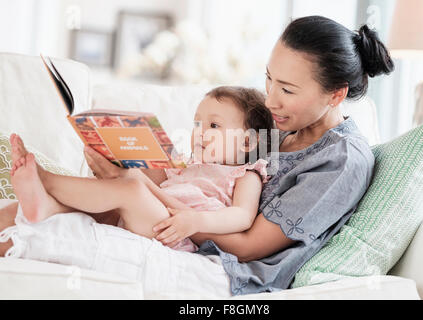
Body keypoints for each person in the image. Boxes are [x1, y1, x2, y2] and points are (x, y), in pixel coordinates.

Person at [0, 16, 394, 297]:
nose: (271, 100)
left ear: (336, 94)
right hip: (184, 219)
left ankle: (45, 180)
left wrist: (165, 205)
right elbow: (203, 175)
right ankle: (44, 195)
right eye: (269, 80)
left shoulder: (343, 159)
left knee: (117, 197)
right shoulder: (283, 125)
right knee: (18, 209)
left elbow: (251, 244)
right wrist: (133, 167)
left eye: (287, 90)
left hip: (227, 265)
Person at [7, 86, 273, 253]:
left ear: (248, 141)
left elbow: (242, 217)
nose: (200, 133)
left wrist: (197, 221)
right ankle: (48, 207)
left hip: (174, 233)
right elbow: (152, 178)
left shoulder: (246, 174)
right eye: (197, 124)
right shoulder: (188, 164)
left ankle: (45, 179)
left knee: (131, 189)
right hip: (148, 214)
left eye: (213, 127)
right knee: (115, 194)